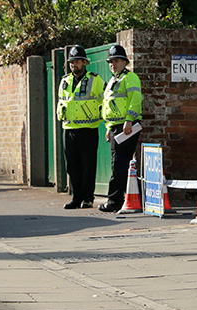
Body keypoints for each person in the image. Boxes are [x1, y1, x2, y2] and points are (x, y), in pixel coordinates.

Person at [56, 45, 105, 210]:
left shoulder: (95, 80)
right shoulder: (65, 81)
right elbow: (62, 102)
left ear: (85, 62)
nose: (73, 65)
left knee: (88, 165)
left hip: (88, 129)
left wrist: (103, 116)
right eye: (71, 62)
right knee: (72, 166)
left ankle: (88, 198)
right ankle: (76, 198)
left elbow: (106, 100)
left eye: (77, 61)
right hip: (69, 128)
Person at [99, 44, 142, 213]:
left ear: (124, 62)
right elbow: (108, 106)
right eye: (110, 62)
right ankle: (130, 197)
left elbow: (135, 99)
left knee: (119, 164)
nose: (113, 64)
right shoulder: (113, 80)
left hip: (126, 127)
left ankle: (114, 200)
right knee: (118, 163)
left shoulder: (129, 78)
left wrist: (129, 120)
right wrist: (109, 127)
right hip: (117, 127)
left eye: (116, 61)